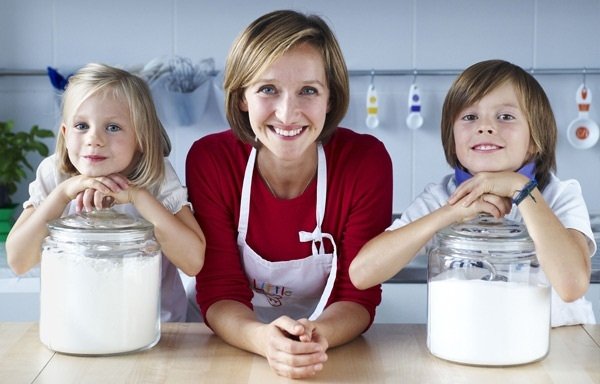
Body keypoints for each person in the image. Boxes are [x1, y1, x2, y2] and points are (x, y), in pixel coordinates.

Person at [186, 10, 392, 379]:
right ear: (242, 97)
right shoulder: (211, 161)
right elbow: (219, 288)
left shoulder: (365, 161)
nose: (287, 113)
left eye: (308, 91)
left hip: (328, 351)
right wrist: (265, 340)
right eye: (268, 89)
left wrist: (313, 339)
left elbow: (357, 295)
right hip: (230, 348)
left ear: (330, 99)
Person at [350, 59, 596, 327]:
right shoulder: (441, 198)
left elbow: (572, 286)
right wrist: (451, 212)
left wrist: (520, 188)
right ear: (452, 139)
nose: (485, 127)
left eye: (506, 116)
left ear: (534, 141)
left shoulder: (560, 195)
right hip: (468, 343)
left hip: (557, 347)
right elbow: (363, 274)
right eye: (470, 117)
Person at [6, 63, 206, 322]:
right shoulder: (55, 175)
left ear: (141, 138)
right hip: (76, 329)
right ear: (65, 134)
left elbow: (193, 261)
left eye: (112, 127)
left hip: (157, 330)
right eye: (81, 126)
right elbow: (18, 261)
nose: (94, 139)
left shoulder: (156, 176)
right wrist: (62, 193)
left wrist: (138, 196)